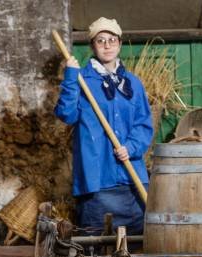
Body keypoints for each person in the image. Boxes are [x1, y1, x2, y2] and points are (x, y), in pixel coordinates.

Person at [55, 17, 153, 235]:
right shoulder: (81, 80)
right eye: (101, 41)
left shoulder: (133, 83)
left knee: (138, 245)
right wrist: (70, 76)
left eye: (112, 40)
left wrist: (131, 147)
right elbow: (66, 115)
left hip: (132, 179)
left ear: (119, 43)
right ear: (93, 46)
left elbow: (143, 124)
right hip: (96, 179)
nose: (107, 45)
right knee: (96, 246)